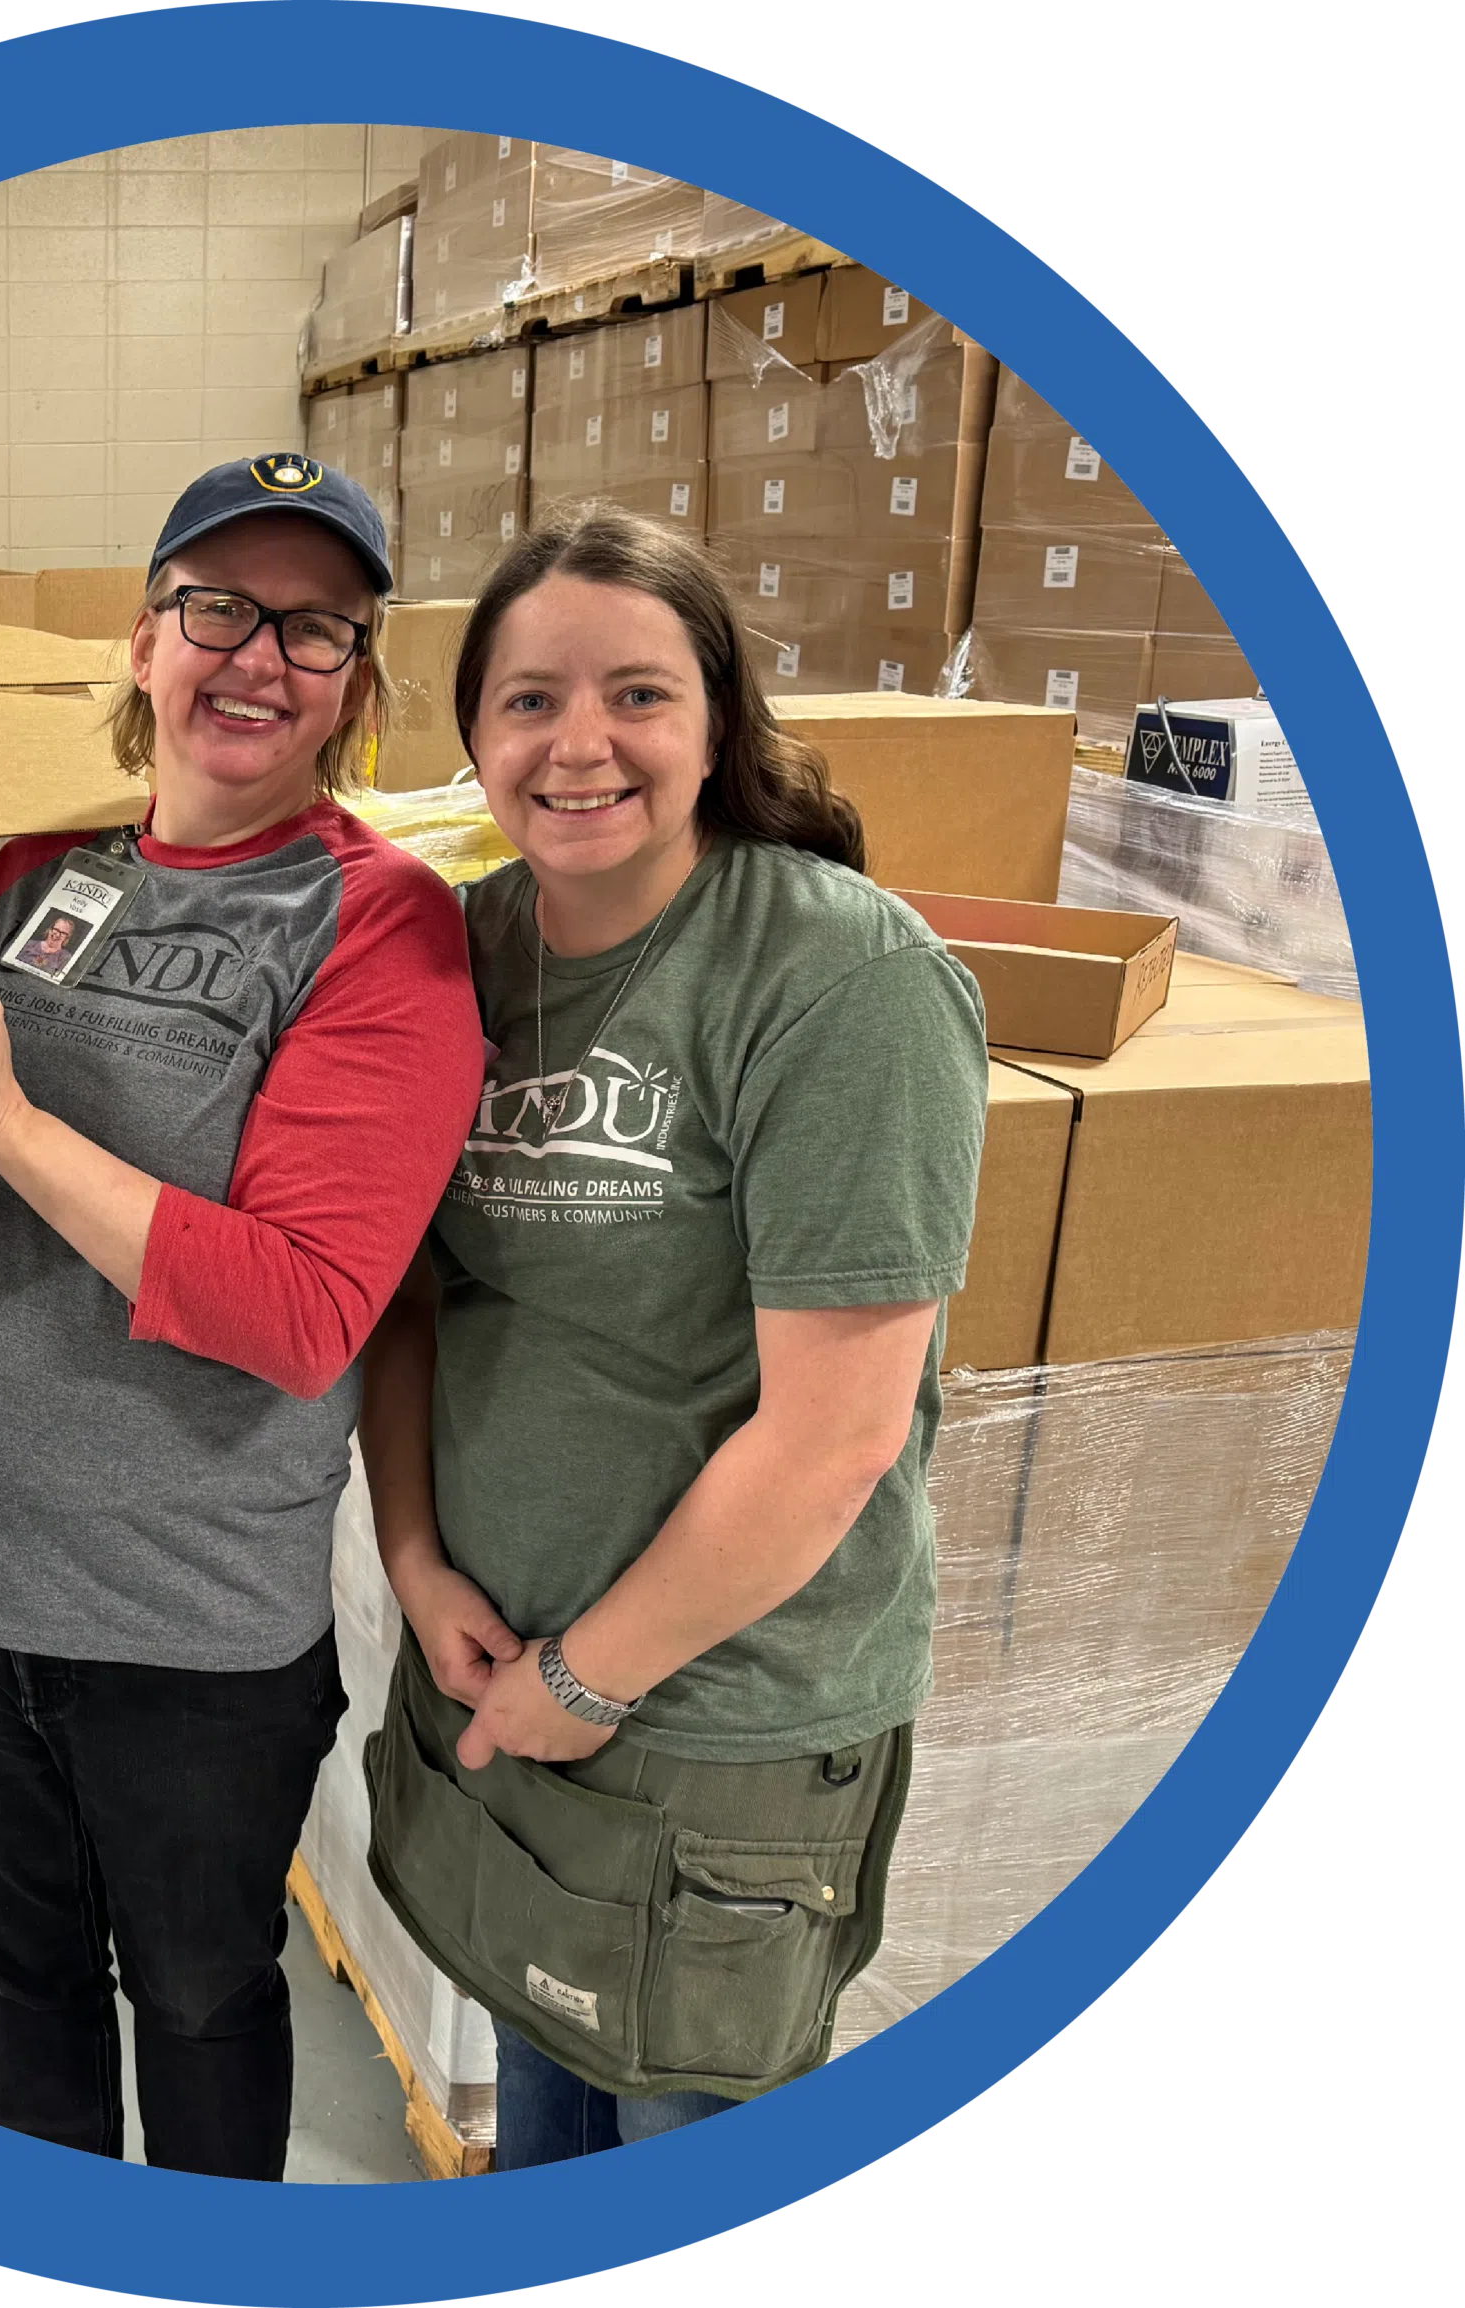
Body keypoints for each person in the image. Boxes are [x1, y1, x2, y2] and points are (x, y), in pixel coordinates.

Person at [0, 455, 487, 2180]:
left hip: (180, 1622)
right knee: (18, 1978)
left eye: (313, 629)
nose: (255, 657)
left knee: (201, 1999)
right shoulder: (17, 863)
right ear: (145, 640)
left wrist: (17, 1121)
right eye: (218, 609)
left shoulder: (379, 927)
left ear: (354, 685)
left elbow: (300, 1311)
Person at [355, 503, 988, 2166]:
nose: (581, 745)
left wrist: (590, 1675)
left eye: (637, 694)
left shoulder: (837, 979)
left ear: (716, 722)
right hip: (500, 1674)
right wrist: (419, 1568)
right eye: (529, 699)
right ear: (475, 736)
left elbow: (836, 1435)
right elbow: (412, 1296)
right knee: (543, 2144)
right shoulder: (467, 954)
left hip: (717, 1729)